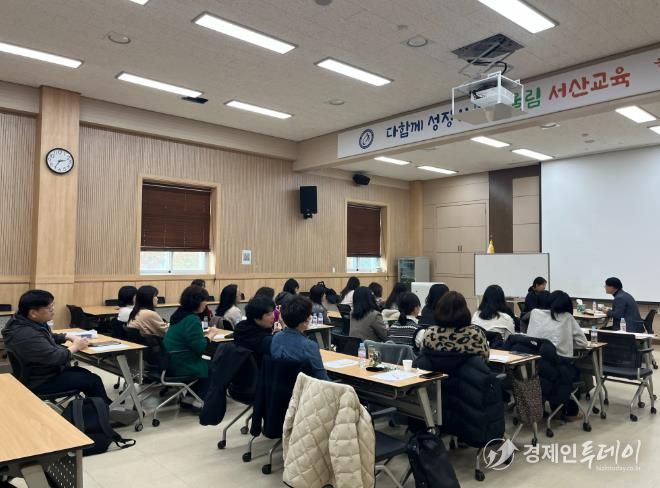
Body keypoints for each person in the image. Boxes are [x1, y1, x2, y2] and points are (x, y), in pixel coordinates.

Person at [3, 290, 136, 424]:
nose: (53, 309)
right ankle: (105, 415)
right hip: (40, 381)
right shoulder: (27, 334)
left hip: (38, 373)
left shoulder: (24, 322)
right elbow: (57, 357)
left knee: (85, 373)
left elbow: (47, 337)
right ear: (33, 313)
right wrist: (76, 346)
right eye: (49, 307)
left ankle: (104, 409)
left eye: (53, 305)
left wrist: (67, 336)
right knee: (92, 380)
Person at [164, 286, 220, 407]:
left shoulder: (178, 315)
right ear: (197, 301)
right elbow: (200, 348)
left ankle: (189, 399)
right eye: (204, 300)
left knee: (206, 363)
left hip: (170, 360)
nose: (206, 303)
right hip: (181, 363)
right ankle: (198, 401)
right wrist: (211, 335)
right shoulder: (192, 319)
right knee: (214, 365)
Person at [270, 295, 329, 381]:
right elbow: (322, 379)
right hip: (304, 387)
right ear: (306, 320)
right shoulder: (309, 346)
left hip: (279, 387)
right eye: (309, 314)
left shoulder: (276, 338)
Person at [419, 291, 489, 359]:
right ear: (465, 310)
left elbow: (422, 355)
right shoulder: (476, 334)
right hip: (468, 367)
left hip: (435, 367)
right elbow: (485, 358)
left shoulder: (430, 333)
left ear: (440, 310)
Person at [527, 291, 588, 357]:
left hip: (533, 357)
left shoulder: (535, 313)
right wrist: (565, 344)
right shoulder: (567, 317)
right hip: (559, 359)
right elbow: (583, 343)